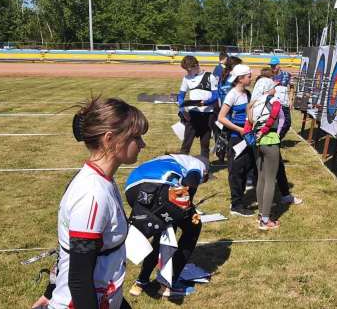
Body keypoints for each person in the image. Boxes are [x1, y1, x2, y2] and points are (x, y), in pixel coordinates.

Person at [33, 97, 148, 309]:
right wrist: (53, 293)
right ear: (110, 139)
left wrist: (50, 291)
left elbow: (72, 252)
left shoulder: (103, 182)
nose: (142, 144)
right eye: (136, 137)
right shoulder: (92, 194)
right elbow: (79, 279)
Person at [125, 154, 208, 297]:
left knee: (163, 228)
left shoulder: (170, 158)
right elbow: (191, 181)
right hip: (159, 188)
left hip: (133, 190)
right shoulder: (197, 164)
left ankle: (141, 281)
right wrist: (188, 208)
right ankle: (170, 283)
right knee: (194, 227)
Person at [217, 63, 256, 217]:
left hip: (248, 137)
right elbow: (221, 117)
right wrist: (240, 129)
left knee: (247, 168)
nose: (251, 78)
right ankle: (236, 205)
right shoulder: (232, 94)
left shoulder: (248, 93)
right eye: (249, 76)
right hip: (236, 138)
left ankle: (240, 200)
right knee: (236, 172)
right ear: (240, 79)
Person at [245, 77, 284, 230]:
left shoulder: (253, 103)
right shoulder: (274, 100)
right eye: (274, 86)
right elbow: (275, 115)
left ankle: (261, 214)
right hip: (270, 141)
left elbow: (247, 124)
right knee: (270, 180)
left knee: (261, 178)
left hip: (256, 143)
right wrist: (265, 131)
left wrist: (253, 136)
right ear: (267, 89)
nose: (276, 89)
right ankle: (266, 220)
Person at [177, 55, 217, 162]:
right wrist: (182, 109)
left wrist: (205, 102)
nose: (188, 72)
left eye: (189, 70)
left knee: (205, 144)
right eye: (186, 70)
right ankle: (182, 167)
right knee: (186, 144)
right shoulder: (186, 78)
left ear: (196, 65)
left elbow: (216, 96)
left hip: (208, 115)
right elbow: (180, 96)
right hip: (193, 115)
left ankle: (205, 169)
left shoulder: (210, 76)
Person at [269, 57, 293, 139]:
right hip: (272, 102)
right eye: (271, 66)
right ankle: (273, 139)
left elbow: (292, 87)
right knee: (273, 122)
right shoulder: (269, 76)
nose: (272, 67)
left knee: (287, 123)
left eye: (274, 65)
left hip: (284, 102)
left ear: (279, 65)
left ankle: (278, 138)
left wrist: (290, 100)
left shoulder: (287, 75)